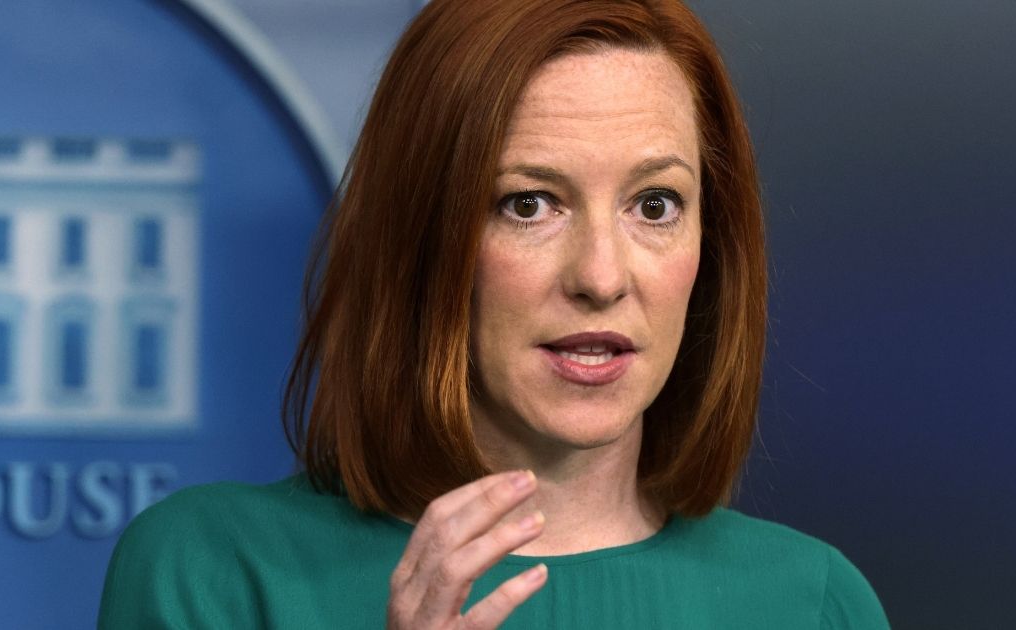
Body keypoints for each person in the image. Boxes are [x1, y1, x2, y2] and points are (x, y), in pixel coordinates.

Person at [98, 0, 889, 628]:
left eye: (655, 204)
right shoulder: (214, 575)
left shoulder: (810, 602)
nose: (601, 277)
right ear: (424, 240)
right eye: (529, 204)